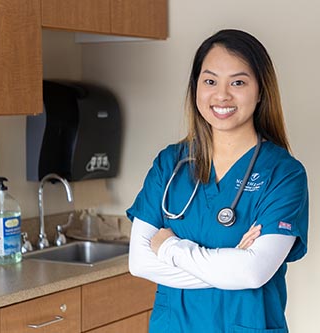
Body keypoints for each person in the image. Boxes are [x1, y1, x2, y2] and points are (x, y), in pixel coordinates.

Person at [127, 29, 309, 333]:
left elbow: (252, 273)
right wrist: (231, 263)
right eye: (210, 81)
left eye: (238, 82)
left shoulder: (284, 174)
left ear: (261, 90)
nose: (222, 95)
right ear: (195, 87)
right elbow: (140, 262)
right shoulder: (169, 164)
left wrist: (171, 248)